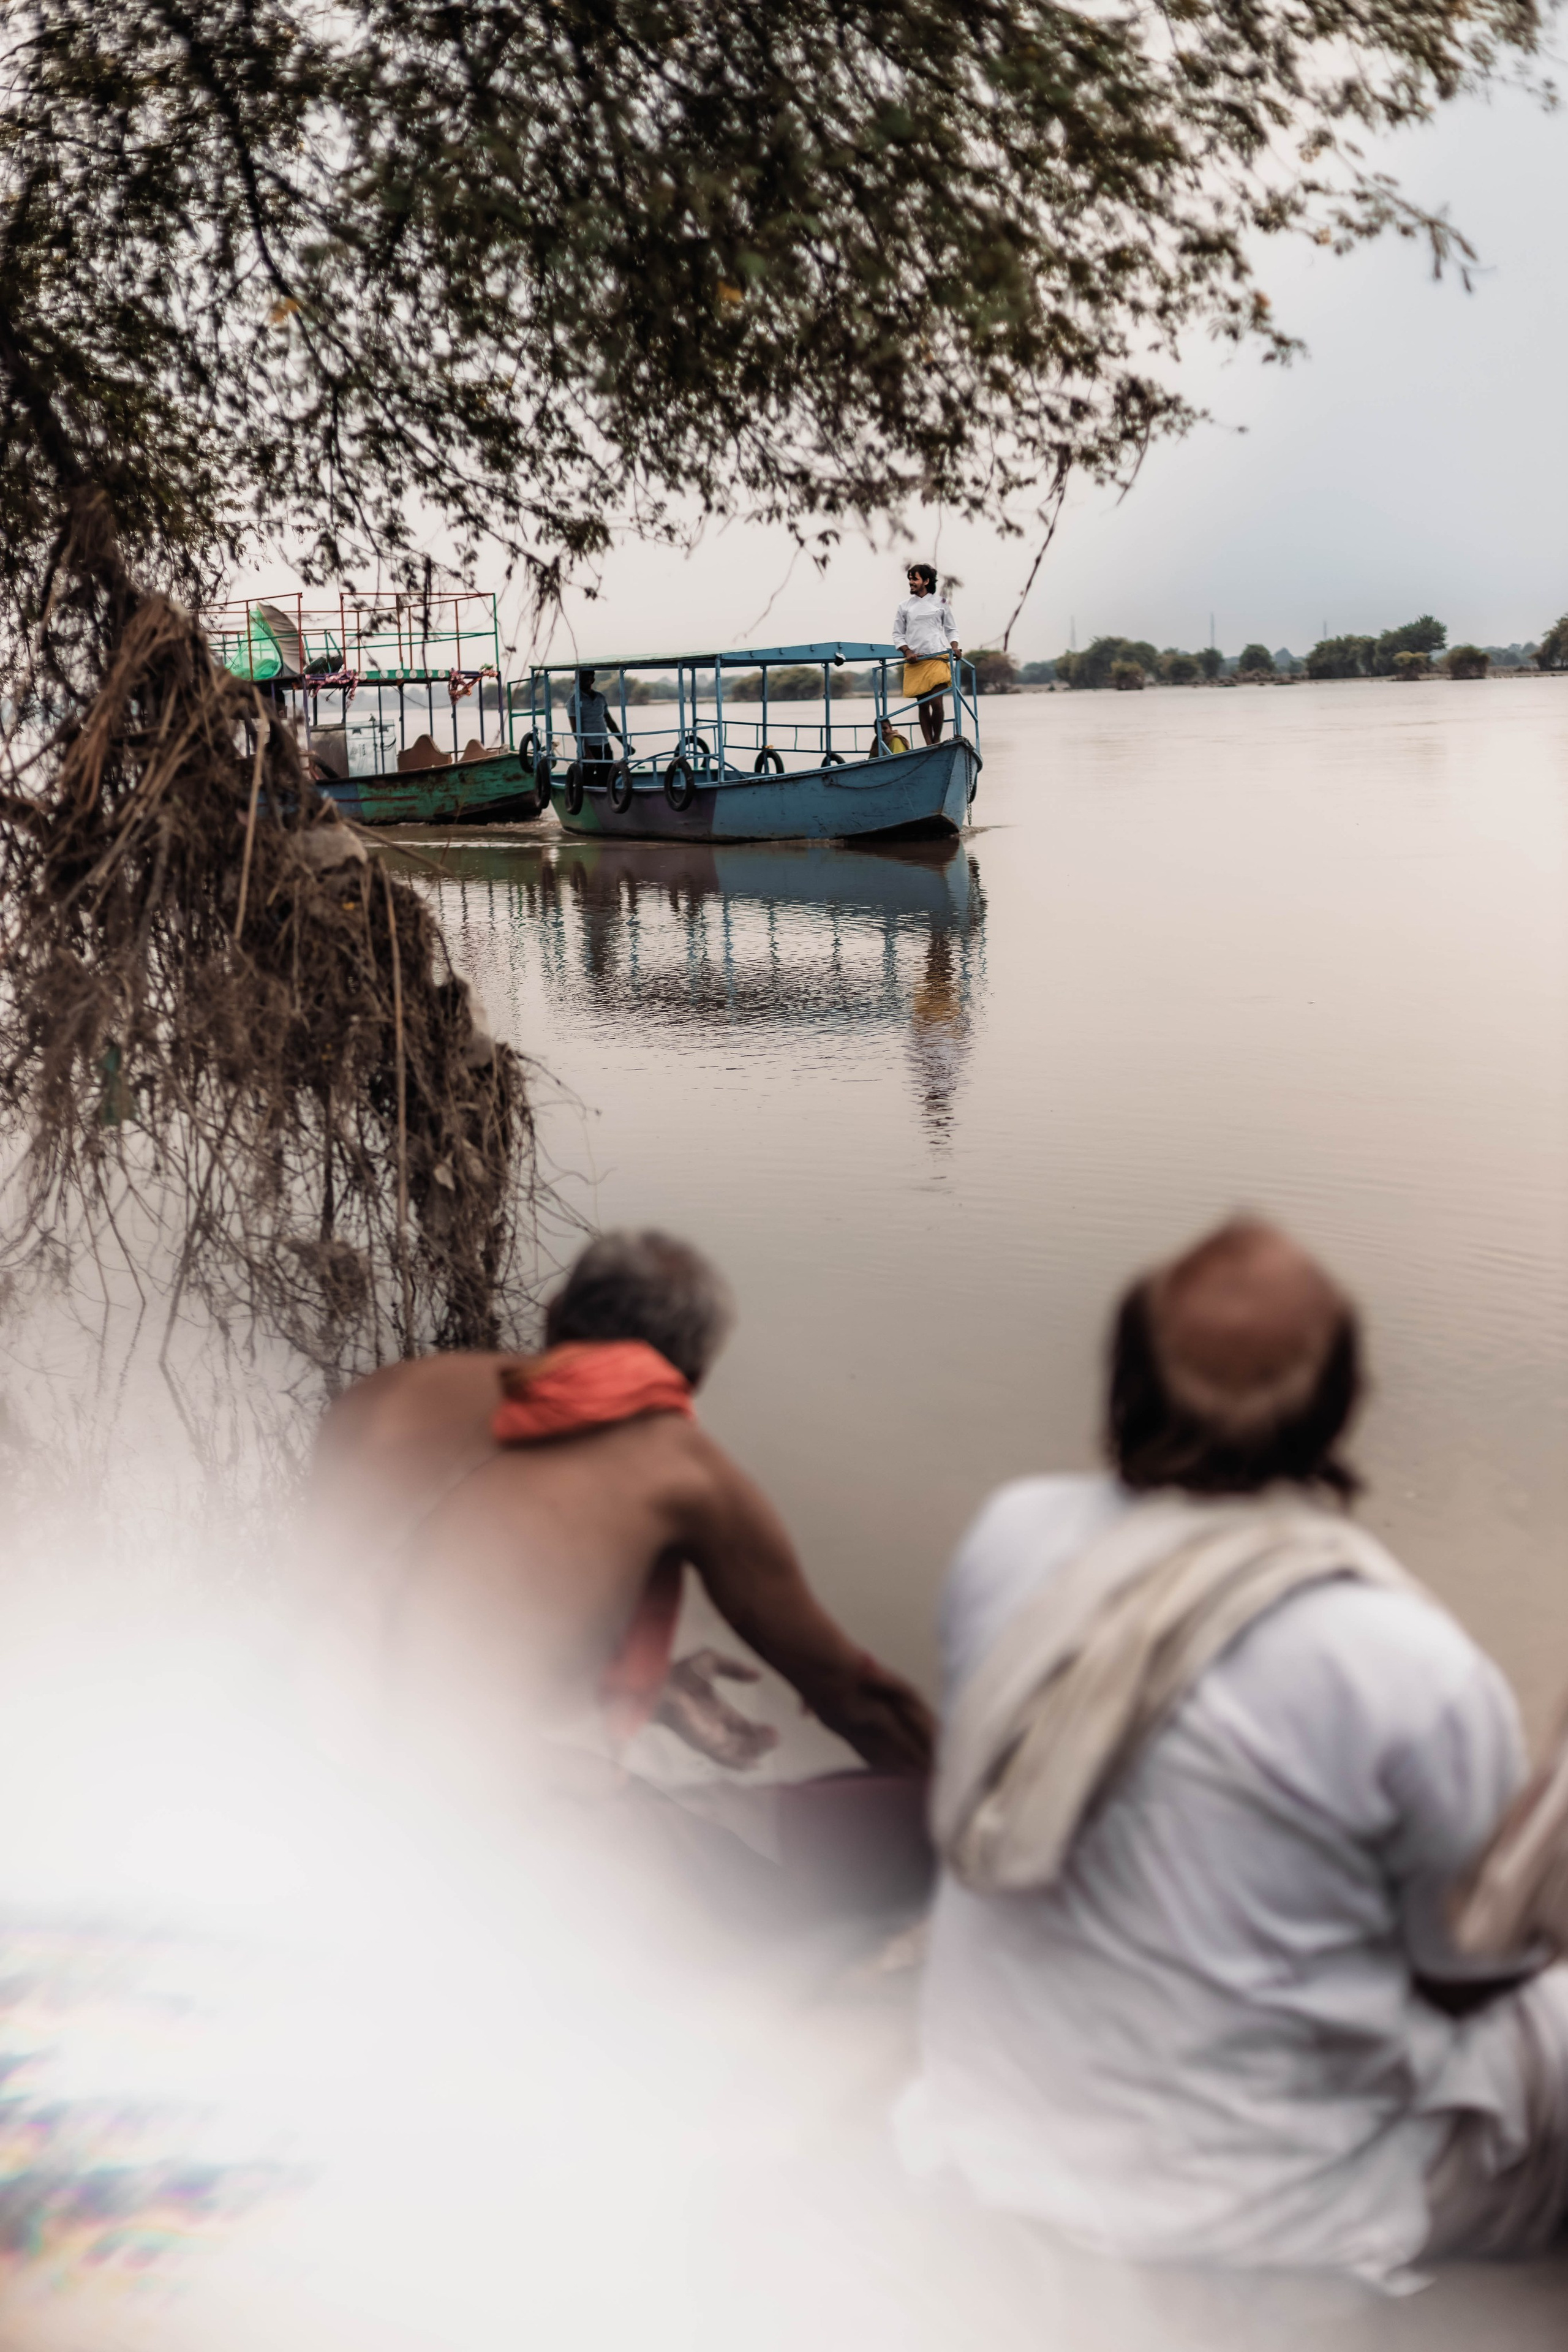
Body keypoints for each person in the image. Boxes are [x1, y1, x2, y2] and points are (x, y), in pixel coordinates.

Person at [899, 1218, 1568, 2283]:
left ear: (1124, 1383)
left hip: (988, 2135)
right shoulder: (1407, 1662)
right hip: (1250, 2203)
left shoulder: (1009, 1538)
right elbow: (1461, 1975)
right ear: (1343, 1405)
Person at [306, 1229, 932, 1803]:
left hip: (290, 1754)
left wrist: (649, 1691)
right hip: (455, 1826)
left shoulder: (382, 1393)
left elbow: (409, 1624)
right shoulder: (680, 1465)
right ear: (695, 1375)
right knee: (881, 1829)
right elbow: (857, 1700)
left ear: (552, 1316)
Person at [893, 564, 960, 747]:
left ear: (926, 581)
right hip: (917, 661)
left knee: (937, 704)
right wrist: (908, 652)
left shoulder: (941, 603)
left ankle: (937, 739)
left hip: (938, 658)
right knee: (923, 705)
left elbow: (952, 630)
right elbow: (898, 635)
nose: (911, 582)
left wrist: (955, 647)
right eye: (910, 579)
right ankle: (929, 744)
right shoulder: (905, 606)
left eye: (915, 579)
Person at [567, 667, 624, 775]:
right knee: (587, 779)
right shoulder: (573, 702)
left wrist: (624, 744)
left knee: (608, 778)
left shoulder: (600, 697)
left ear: (592, 680)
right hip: (587, 747)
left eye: (585, 679)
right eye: (579, 679)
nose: (581, 682)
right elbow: (575, 730)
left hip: (604, 745)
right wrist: (588, 754)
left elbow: (610, 723)